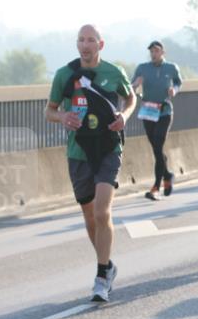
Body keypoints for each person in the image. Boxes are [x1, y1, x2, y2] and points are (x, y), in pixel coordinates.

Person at [45, 24, 135, 302]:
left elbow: (131, 98)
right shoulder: (65, 75)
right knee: (89, 217)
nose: (85, 45)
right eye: (81, 40)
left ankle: (100, 277)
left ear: (101, 45)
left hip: (108, 146)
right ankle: (108, 266)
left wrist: (125, 115)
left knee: (101, 211)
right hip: (79, 151)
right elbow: (49, 110)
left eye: (91, 40)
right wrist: (63, 117)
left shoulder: (114, 72)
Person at [132, 40, 183, 200]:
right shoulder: (142, 68)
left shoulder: (171, 68)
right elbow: (130, 86)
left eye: (156, 51)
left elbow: (178, 82)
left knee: (158, 144)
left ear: (163, 53)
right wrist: (136, 84)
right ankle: (167, 175)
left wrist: (174, 90)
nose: (153, 54)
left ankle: (156, 187)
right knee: (156, 149)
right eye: (151, 51)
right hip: (148, 111)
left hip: (165, 111)